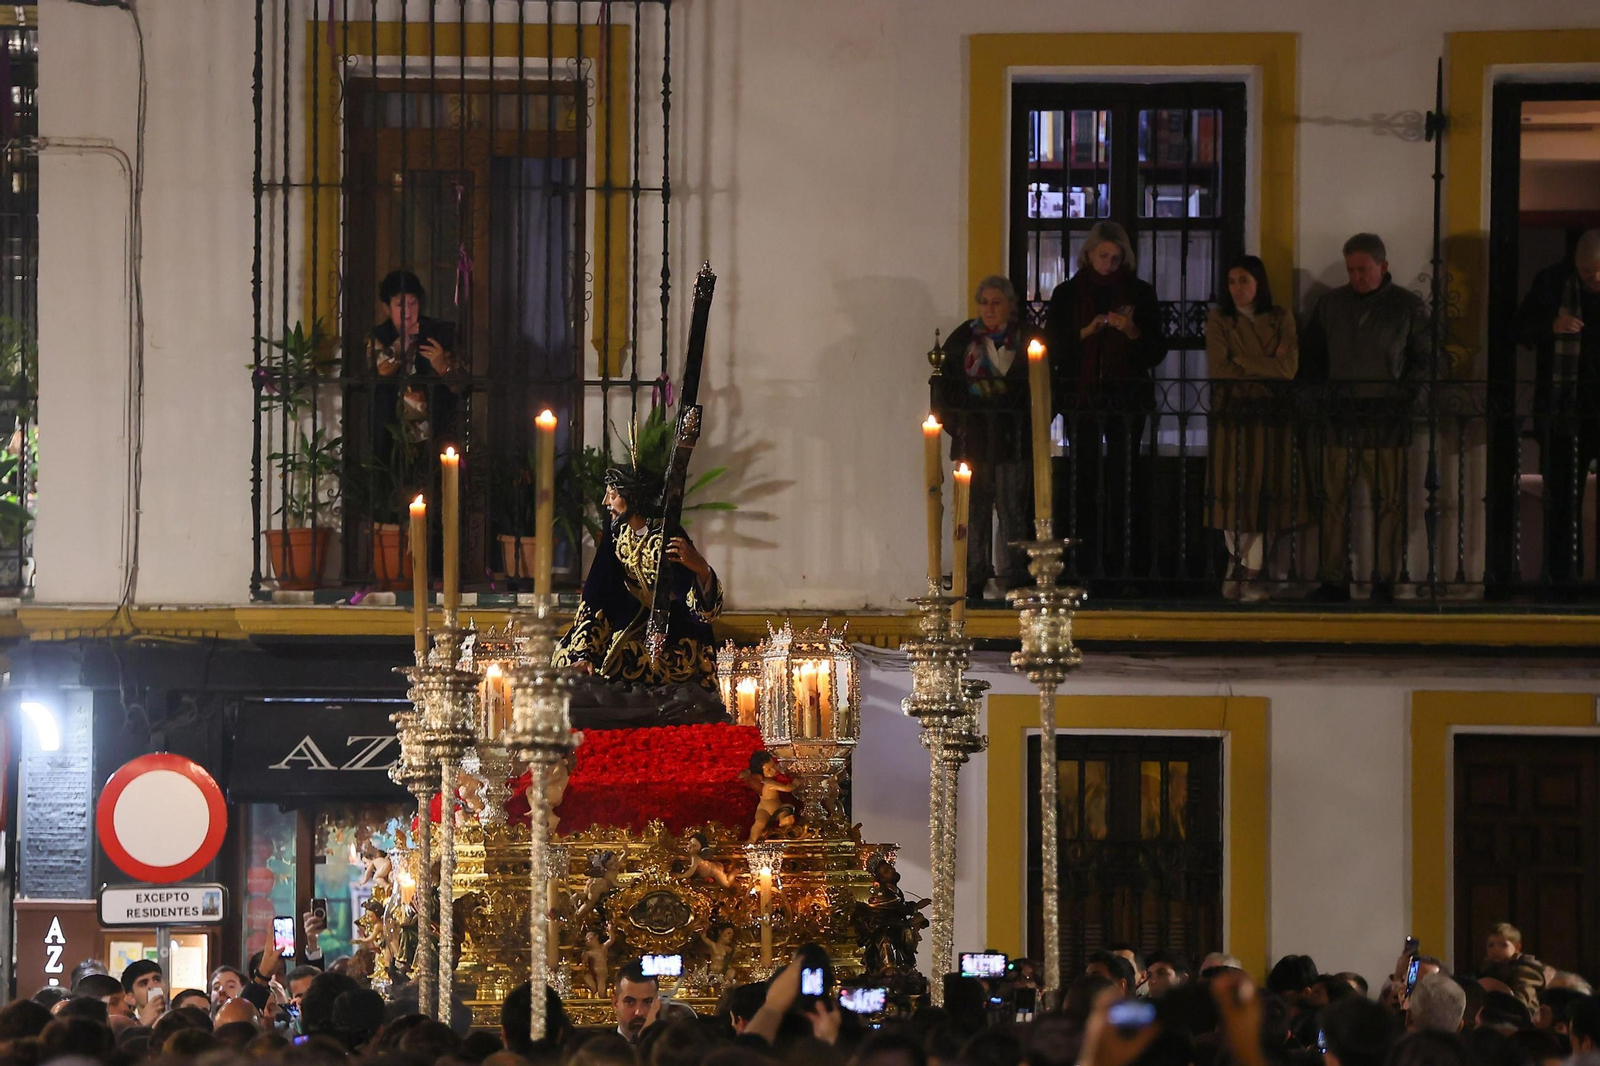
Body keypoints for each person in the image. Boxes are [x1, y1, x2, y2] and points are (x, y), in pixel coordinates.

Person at [1300, 233, 1430, 601]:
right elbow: (1313, 359)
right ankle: (1334, 578)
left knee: (1390, 503)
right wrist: (1321, 398)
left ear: (1383, 266)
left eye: (1363, 269)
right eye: (1351, 270)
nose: (1357, 276)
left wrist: (1406, 396)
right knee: (1332, 501)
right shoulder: (1331, 305)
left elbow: (1425, 358)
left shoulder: (1407, 307)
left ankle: (1385, 579)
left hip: (1388, 417)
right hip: (1339, 415)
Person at [1044, 220, 1168, 583]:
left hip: (1125, 400)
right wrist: (1088, 330)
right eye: (1103, 256)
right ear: (1089, 254)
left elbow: (1155, 351)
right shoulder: (1068, 294)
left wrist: (1130, 331)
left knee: (1123, 479)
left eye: (1116, 258)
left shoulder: (1140, 293)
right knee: (1082, 478)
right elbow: (1054, 344)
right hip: (1081, 399)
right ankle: (1081, 562)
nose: (1110, 264)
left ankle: (1122, 563)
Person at [552, 457, 725, 700]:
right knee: (567, 657)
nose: (605, 502)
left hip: (669, 633)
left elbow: (700, 612)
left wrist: (702, 570)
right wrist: (585, 653)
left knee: (631, 663)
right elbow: (596, 593)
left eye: (612, 495)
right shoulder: (616, 535)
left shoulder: (668, 535)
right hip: (625, 619)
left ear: (632, 498)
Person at [932, 274, 1044, 595]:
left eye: (997, 303)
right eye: (984, 303)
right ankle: (972, 574)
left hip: (1013, 439)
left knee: (1012, 509)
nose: (990, 309)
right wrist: (961, 424)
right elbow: (946, 388)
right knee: (972, 510)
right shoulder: (963, 340)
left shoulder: (1026, 338)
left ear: (1010, 306)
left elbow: (1038, 386)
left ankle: (1014, 577)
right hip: (974, 440)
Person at [1205, 254, 1305, 601]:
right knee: (1233, 493)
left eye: (1244, 280)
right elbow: (1219, 369)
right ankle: (1238, 565)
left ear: (1258, 283)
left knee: (1266, 493)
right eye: (1231, 281)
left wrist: (1242, 361)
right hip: (1233, 415)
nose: (1237, 288)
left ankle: (1250, 572)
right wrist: (1266, 363)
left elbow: (1289, 368)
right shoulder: (1219, 320)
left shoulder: (1281, 318)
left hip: (1271, 416)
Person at [1515, 229, 1600, 586]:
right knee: (1562, 498)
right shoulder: (1551, 282)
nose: (1595, 279)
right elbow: (1519, 328)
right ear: (1575, 266)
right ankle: (1563, 577)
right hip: (1564, 407)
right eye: (1587, 273)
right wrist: (1552, 324)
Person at [366, 269, 459, 458]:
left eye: (413, 303)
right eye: (400, 305)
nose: (407, 313)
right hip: (390, 437)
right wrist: (405, 339)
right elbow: (381, 369)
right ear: (386, 307)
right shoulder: (378, 336)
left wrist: (443, 367)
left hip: (434, 436)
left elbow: (460, 385)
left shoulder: (438, 333)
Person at [1478, 922, 1545, 1010]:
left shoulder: (1525, 971)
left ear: (1517, 948)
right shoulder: (1488, 970)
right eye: (1491, 945)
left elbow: (1520, 1002)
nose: (1496, 949)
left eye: (1503, 945)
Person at [612, 960, 659, 1044]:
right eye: (630, 1002)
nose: (639, 1012)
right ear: (615, 1003)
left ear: (657, 1004)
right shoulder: (597, 1052)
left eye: (647, 1002)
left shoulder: (670, 1050)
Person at [119, 959, 164, 1026]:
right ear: (131, 997)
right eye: (144, 983)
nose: (152, 986)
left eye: (156, 980)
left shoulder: (178, 1020)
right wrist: (142, 1024)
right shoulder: (126, 1026)